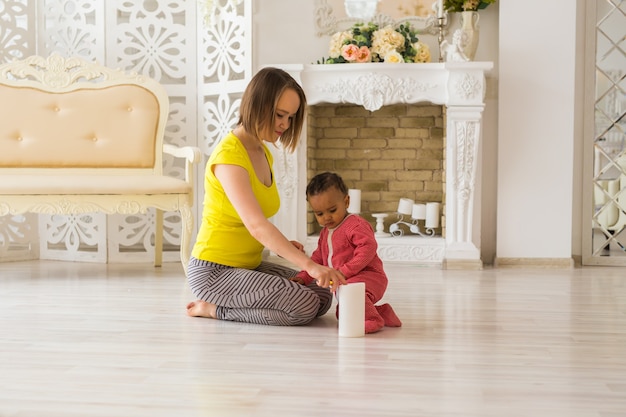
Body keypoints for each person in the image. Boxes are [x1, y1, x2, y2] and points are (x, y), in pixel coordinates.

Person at [186, 67, 346, 326]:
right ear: (257, 105)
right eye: (280, 115)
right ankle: (214, 309)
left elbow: (256, 223)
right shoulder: (229, 157)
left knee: (321, 294)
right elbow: (256, 225)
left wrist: (284, 245)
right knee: (303, 306)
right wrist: (310, 265)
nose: (285, 124)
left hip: (248, 266)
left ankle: (227, 303)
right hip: (214, 273)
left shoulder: (263, 152)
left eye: (291, 117)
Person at [291, 172, 402, 334]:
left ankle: (373, 319)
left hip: (369, 276)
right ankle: (382, 312)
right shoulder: (325, 233)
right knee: (342, 312)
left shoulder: (355, 225)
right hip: (345, 281)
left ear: (346, 201)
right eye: (319, 214)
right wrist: (303, 276)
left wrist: (344, 271)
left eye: (332, 210)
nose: (326, 218)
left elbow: (368, 248)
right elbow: (318, 259)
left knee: (352, 294)